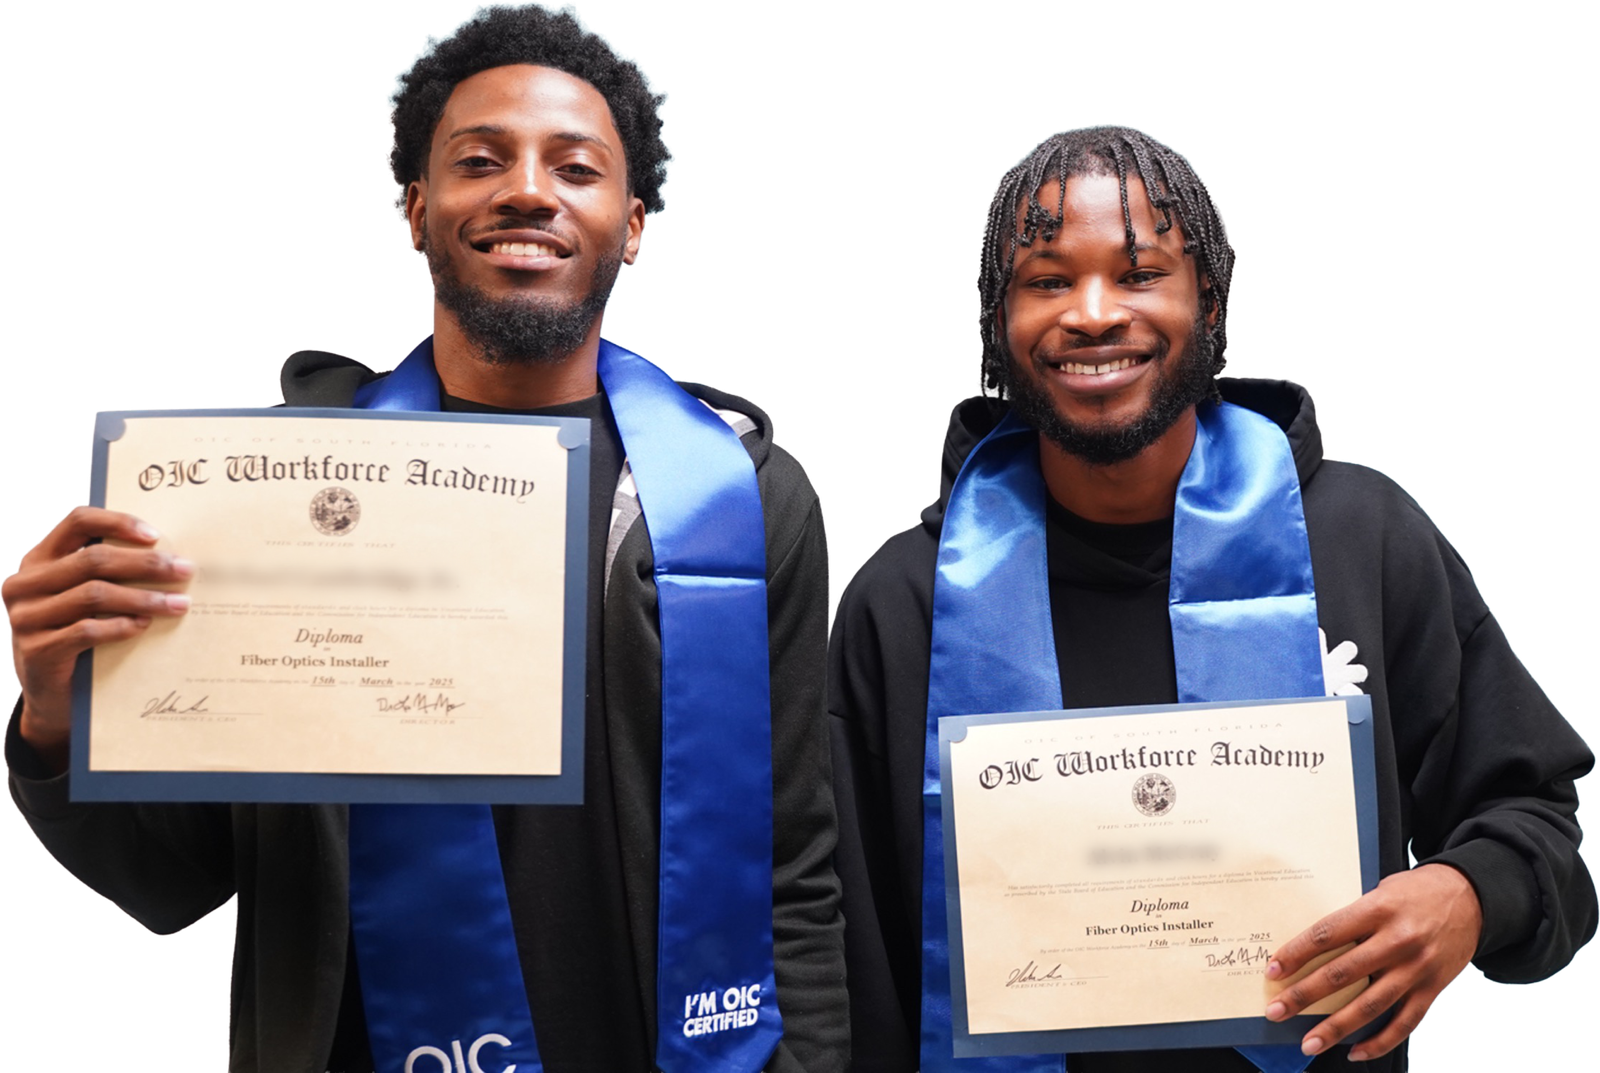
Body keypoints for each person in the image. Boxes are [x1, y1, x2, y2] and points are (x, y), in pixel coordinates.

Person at [4, 4, 845, 1070]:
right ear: (415, 208)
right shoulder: (267, 502)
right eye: (480, 160)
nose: (527, 189)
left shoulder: (746, 496)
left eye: (575, 168)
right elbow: (174, 872)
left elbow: (793, 861)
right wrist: (55, 708)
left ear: (632, 222)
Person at [827, 124, 1596, 1072]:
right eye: (1049, 280)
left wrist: (1468, 894)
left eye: (1142, 272)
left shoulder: (1365, 538)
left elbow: (1536, 823)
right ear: (998, 321)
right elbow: (848, 955)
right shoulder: (900, 605)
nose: (1095, 314)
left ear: (1212, 302)